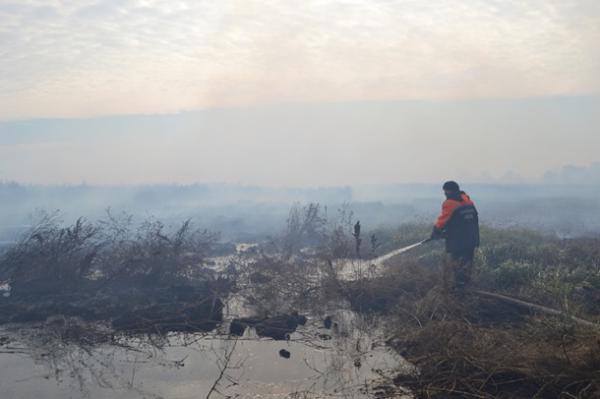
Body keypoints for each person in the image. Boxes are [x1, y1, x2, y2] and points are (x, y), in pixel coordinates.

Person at [430, 181, 479, 294]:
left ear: (448, 191)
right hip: (471, 239)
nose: (444, 194)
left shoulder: (450, 203)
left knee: (457, 264)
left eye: (445, 191)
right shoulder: (468, 201)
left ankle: (459, 289)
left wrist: (435, 232)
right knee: (467, 264)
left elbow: (443, 221)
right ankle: (466, 287)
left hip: (458, 241)